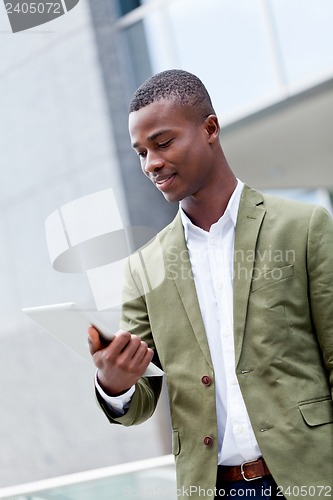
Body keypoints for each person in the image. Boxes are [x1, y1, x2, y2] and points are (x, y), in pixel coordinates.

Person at [88, 69, 333, 500]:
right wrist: (115, 383)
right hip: (211, 490)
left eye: (162, 143)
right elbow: (142, 400)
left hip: (308, 480)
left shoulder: (303, 228)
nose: (151, 163)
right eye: (141, 152)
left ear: (210, 129)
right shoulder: (144, 268)